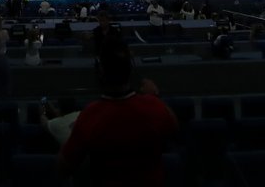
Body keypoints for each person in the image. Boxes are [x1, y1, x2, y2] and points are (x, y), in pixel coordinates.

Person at [59, 37, 178, 186]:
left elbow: (64, 167)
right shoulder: (154, 106)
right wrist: (155, 97)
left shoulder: (89, 116)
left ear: (100, 72)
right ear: (130, 69)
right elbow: (173, 126)